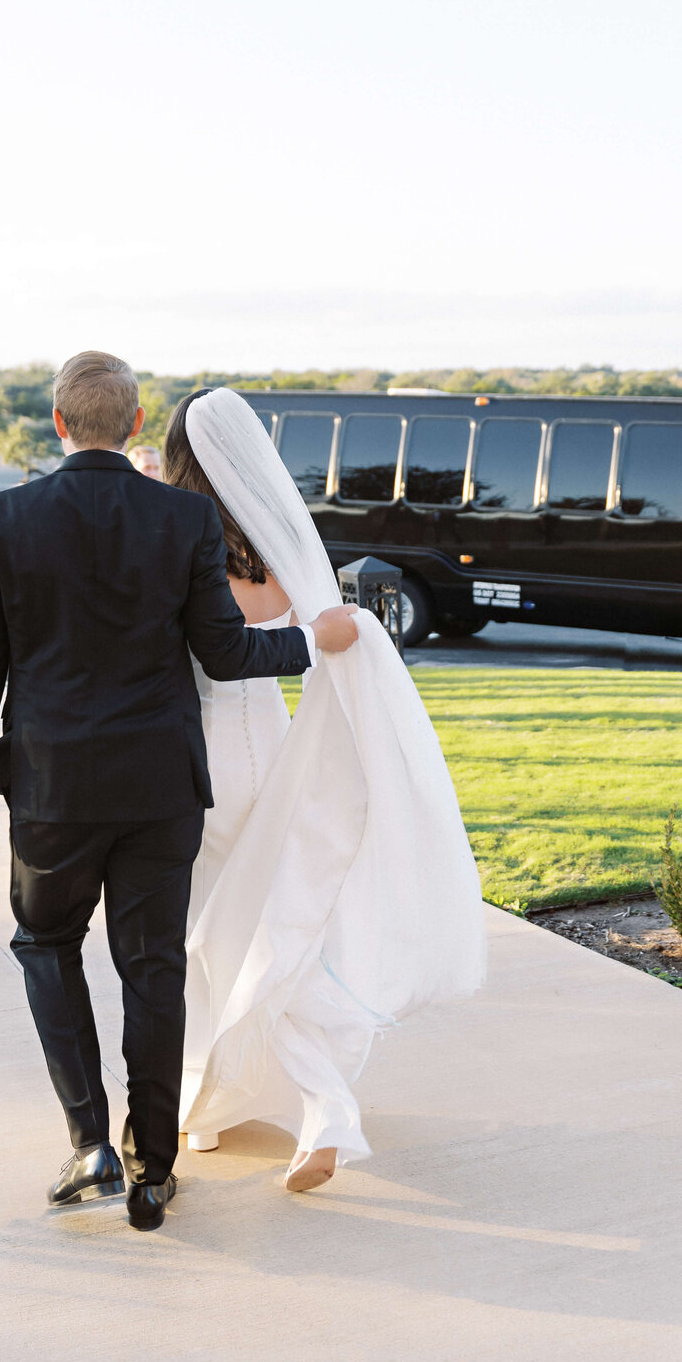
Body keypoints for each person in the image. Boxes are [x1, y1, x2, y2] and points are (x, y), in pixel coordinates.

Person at [0, 350, 359, 1232]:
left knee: (46, 945)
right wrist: (317, 643)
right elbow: (228, 653)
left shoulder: (1, 518)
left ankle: (89, 1141)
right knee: (154, 971)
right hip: (163, 787)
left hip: (52, 790)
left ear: (59, 424)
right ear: (132, 425)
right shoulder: (183, 522)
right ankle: (153, 1167)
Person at [165, 388, 486, 1192]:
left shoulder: (174, 540)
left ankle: (229, 1104)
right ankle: (282, 1104)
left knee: (209, 938)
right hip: (273, 753)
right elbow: (328, 634)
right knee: (272, 928)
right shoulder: (276, 549)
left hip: (198, 762)